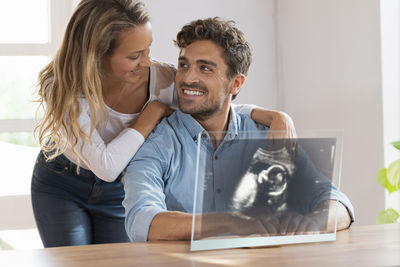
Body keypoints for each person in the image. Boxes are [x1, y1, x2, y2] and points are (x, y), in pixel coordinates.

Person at [31, 0, 296, 248]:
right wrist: (152, 113)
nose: (146, 61)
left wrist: (273, 116)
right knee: (71, 261)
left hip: (119, 187)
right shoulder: (63, 88)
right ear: (98, 54)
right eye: (135, 55)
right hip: (62, 181)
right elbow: (107, 166)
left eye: (148, 49)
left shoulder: (162, 78)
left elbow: (213, 100)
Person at [122, 17, 355, 242]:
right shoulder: (158, 143)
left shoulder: (268, 137)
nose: (187, 77)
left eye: (205, 68)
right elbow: (141, 221)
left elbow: (336, 201)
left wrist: (316, 222)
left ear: (236, 83)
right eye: (184, 65)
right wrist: (230, 221)